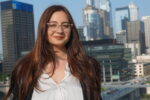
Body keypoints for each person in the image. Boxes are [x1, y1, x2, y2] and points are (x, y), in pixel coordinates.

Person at [3, 5, 101, 100]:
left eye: (65, 25)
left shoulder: (88, 66)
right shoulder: (25, 68)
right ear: (43, 28)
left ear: (71, 29)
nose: (59, 30)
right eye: (53, 25)